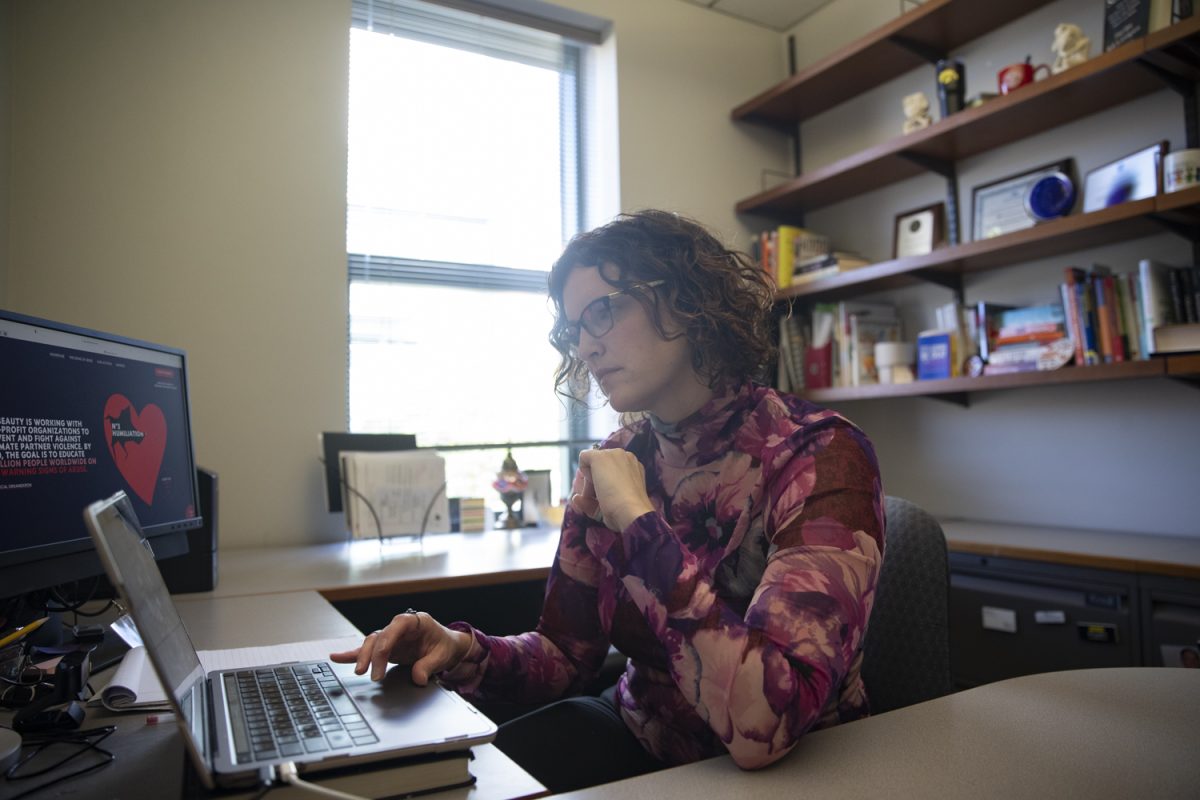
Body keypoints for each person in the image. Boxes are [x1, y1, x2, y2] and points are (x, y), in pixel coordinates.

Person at [331, 210, 885, 793]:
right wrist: (460, 648)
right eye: (576, 328)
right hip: (640, 738)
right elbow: (564, 653)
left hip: (802, 771)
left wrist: (639, 522)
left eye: (604, 310)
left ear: (687, 301)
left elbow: (765, 725)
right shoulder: (615, 458)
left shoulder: (819, 454)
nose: (588, 347)